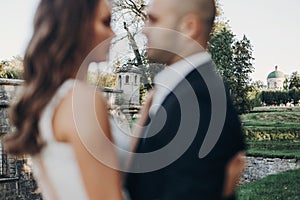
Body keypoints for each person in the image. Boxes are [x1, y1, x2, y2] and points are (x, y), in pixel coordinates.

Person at [125, 0, 246, 199]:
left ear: (189, 27)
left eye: (154, 20)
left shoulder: (199, 100)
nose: (144, 30)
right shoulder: (179, 93)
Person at [4, 0, 123, 199]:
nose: (114, 34)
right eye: (105, 22)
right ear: (76, 26)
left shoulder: (48, 102)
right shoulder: (82, 101)